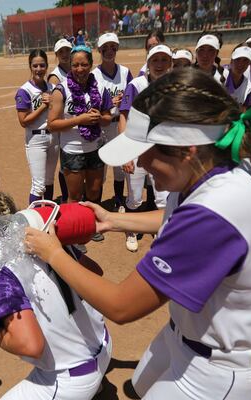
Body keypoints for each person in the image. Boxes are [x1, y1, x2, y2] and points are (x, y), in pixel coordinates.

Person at [25, 67, 251, 400]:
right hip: (187, 336)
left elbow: (120, 306)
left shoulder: (214, 214)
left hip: (217, 368)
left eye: (146, 153)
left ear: (186, 150)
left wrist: (53, 253)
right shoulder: (212, 167)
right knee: (141, 386)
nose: (141, 164)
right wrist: (113, 220)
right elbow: (175, 216)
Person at [0, 191, 112, 400]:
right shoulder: (46, 238)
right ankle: (96, 386)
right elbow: (95, 272)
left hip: (69, 380)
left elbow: (31, 345)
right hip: (103, 345)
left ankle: (90, 387)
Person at [119, 44, 173, 253]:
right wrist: (125, 153)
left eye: (164, 60)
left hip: (162, 148)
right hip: (137, 145)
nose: (159, 65)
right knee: (134, 197)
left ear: (170, 63)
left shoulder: (174, 85)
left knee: (163, 197)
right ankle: (130, 229)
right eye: (155, 60)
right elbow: (124, 117)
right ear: (148, 63)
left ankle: (162, 232)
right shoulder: (136, 85)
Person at [47, 45, 112, 215]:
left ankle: (92, 223)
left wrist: (99, 118)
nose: (79, 69)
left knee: (94, 192)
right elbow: (51, 124)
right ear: (70, 66)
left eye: (84, 64)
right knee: (74, 196)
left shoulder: (101, 88)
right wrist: (79, 120)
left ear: (91, 64)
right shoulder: (61, 90)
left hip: (95, 148)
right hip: (72, 151)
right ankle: (74, 226)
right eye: (75, 65)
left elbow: (108, 118)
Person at [93, 32, 133, 211]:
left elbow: (133, 97)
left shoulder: (125, 72)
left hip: (120, 124)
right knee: (100, 169)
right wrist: (108, 103)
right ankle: (97, 204)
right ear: (99, 50)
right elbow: (91, 102)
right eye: (105, 48)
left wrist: (125, 100)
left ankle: (118, 201)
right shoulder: (94, 75)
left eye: (113, 48)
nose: (109, 51)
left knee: (119, 168)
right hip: (102, 125)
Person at [16, 49, 56, 204]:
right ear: (30, 67)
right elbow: (23, 121)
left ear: (47, 66)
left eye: (42, 65)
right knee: (39, 186)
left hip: (54, 137)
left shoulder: (52, 88)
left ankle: (47, 213)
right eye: (35, 66)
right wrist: (43, 106)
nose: (39, 69)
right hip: (36, 139)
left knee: (49, 181)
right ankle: (34, 215)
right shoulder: (25, 90)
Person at [49, 38, 74, 203]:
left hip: (74, 120)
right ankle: (65, 197)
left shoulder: (76, 68)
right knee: (65, 161)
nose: (65, 54)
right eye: (61, 52)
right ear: (56, 55)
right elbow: (54, 103)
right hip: (63, 123)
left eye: (67, 51)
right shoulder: (55, 76)